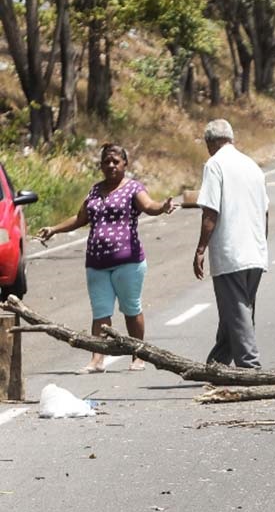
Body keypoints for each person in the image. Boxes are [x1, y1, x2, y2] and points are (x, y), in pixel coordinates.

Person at [37, 143, 176, 374]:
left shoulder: (133, 188)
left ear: (125, 164)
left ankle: (138, 355)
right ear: (101, 165)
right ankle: (97, 360)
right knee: (100, 313)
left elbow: (150, 205)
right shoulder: (94, 190)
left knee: (131, 309)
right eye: (106, 161)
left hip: (128, 262)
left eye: (116, 161)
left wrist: (163, 207)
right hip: (97, 263)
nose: (111, 165)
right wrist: (54, 229)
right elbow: (80, 218)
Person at [192, 119, 269, 368]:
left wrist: (201, 249)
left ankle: (250, 367)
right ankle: (217, 365)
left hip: (231, 251)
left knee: (237, 312)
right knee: (235, 312)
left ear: (210, 143)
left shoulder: (215, 165)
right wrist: (261, 244)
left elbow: (210, 212)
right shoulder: (252, 165)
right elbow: (265, 211)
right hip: (255, 251)